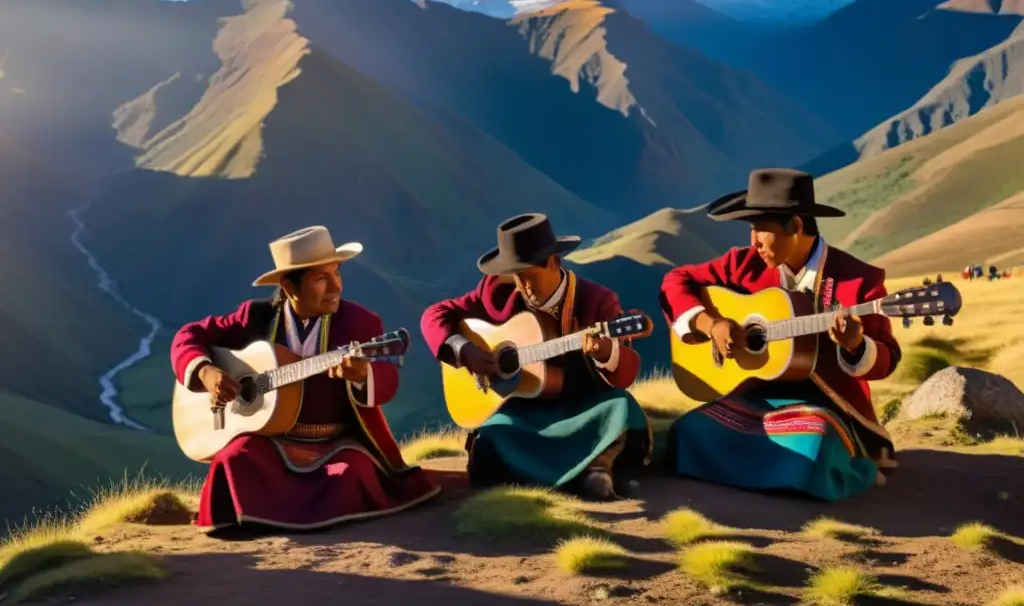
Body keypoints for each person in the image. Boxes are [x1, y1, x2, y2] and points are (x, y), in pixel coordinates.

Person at [170, 226, 440, 533]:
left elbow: (388, 378)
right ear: (288, 285)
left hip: (336, 443)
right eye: (321, 278)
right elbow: (188, 335)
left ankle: (271, 514)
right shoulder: (255, 318)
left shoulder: (360, 322)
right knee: (235, 459)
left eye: (337, 273)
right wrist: (206, 371)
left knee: (349, 475)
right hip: (271, 441)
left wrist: (363, 374)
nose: (336, 286)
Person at [659, 169, 902, 501]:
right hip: (754, 396)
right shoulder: (743, 265)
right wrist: (709, 324)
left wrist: (856, 345)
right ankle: (778, 476)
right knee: (689, 431)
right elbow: (677, 280)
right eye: (751, 230)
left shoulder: (857, 280)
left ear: (797, 226)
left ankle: (760, 471)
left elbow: (886, 359)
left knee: (813, 442)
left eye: (761, 230)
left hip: (827, 407)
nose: (753, 242)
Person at [420, 213, 652, 501]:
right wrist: (464, 351)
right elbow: (434, 315)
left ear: (554, 262)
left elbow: (625, 375)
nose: (524, 287)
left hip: (582, 406)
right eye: (517, 277)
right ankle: (586, 474)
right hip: (522, 411)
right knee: (492, 434)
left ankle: (594, 470)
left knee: (621, 408)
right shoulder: (495, 293)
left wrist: (605, 351)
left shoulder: (596, 300)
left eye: (531, 276)